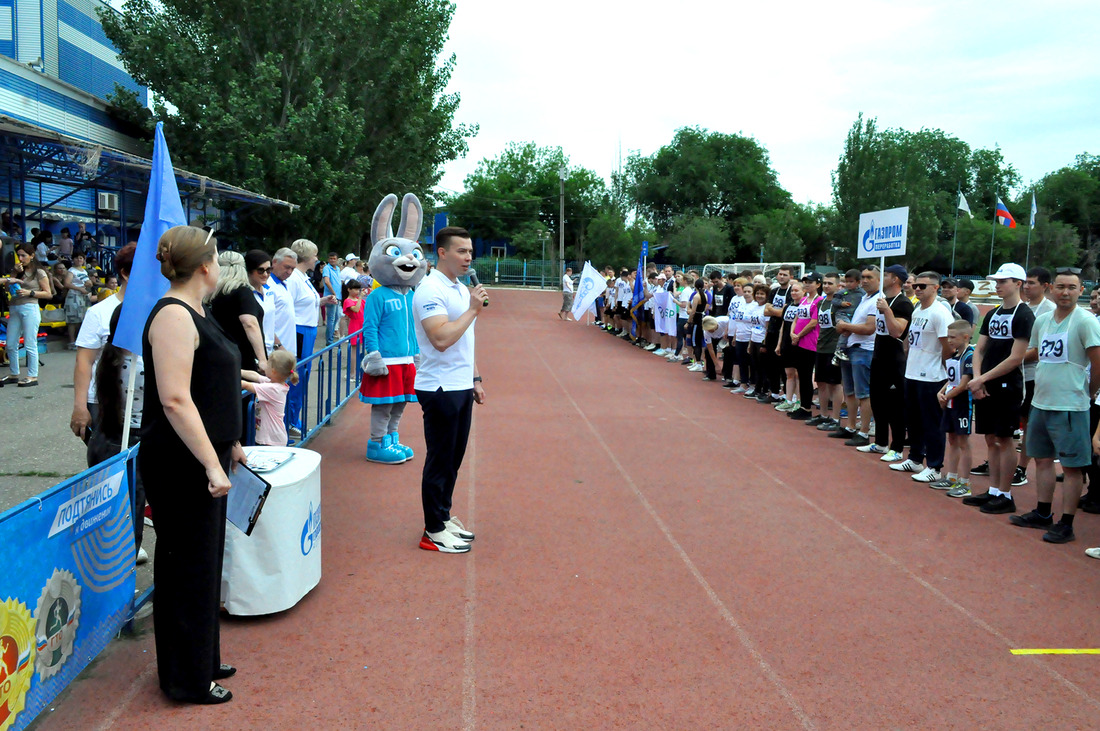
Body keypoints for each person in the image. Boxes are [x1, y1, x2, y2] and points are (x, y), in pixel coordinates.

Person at [140, 225, 244, 704]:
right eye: (218, 257)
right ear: (205, 265)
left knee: (205, 563)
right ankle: (186, 677)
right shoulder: (173, 317)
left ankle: (201, 656)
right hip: (183, 462)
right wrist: (212, 463)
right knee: (187, 568)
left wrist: (231, 443)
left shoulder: (197, 310)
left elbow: (211, 384)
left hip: (206, 454)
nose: (221, 264)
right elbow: (177, 400)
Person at [1009, 268, 1100, 543]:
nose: (1065, 292)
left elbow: (1098, 362)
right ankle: (1043, 512)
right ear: (1052, 289)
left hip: (1071, 405)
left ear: (1080, 290)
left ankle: (1067, 523)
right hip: (1041, 401)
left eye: (1072, 287)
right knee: (1042, 460)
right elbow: (1036, 353)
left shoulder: (1085, 322)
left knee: (1072, 467)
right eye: (1061, 287)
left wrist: (1089, 393)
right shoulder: (1043, 320)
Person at [412, 226, 485, 553]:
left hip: (459, 385)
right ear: (442, 252)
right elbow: (441, 339)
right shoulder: (430, 290)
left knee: (453, 458)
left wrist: (475, 378)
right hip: (439, 387)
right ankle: (432, 529)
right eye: (461, 251)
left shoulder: (458, 287)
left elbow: (465, 340)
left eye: (470, 251)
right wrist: (472, 309)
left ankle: (442, 516)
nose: (468, 256)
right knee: (440, 459)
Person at [963, 263, 1035, 515]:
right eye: (997, 281)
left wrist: (982, 379)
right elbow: (979, 349)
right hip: (985, 383)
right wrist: (977, 378)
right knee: (990, 438)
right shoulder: (992, 314)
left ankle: (1005, 493)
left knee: (1005, 439)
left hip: (1008, 386)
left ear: (1018, 283)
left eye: (1003, 281)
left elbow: (1016, 357)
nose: (998, 285)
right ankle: (993, 490)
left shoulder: (1024, 314)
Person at [87, 304, 147, 562]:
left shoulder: (108, 357)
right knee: (127, 513)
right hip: (127, 441)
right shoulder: (139, 365)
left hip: (104, 437)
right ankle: (121, 576)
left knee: (108, 513)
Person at [70, 243, 136, 442]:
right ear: (125, 273)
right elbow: (84, 362)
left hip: (144, 404)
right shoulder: (99, 312)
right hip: (104, 403)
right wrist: (80, 407)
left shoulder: (162, 310)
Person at [891, 271, 952, 482]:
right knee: (913, 420)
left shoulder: (940, 313)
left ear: (936, 288)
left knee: (932, 423)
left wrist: (945, 373)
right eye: (916, 285)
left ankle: (935, 467)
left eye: (922, 286)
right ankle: (916, 459)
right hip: (912, 373)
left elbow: (948, 346)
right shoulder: (918, 310)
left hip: (932, 376)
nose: (917, 289)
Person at [859, 264, 912, 458]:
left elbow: (897, 331)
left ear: (895, 279)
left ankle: (896, 447)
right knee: (877, 402)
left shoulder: (902, 303)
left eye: (887, 275)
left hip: (894, 360)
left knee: (894, 406)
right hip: (878, 357)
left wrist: (887, 311)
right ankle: (880, 442)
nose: (883, 277)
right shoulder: (883, 299)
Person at [285, 239, 337, 437]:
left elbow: (304, 303)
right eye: (314, 254)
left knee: (303, 375)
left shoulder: (302, 277)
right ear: (306, 256)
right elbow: (289, 307)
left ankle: (293, 418)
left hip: (308, 330)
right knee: (296, 376)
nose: (317, 258)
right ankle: (290, 421)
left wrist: (323, 300)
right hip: (300, 331)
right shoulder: (294, 279)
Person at [1012, 266, 1056, 487]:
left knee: (1028, 424)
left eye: (1032, 283)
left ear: (1046, 286)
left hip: (1032, 375)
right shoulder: (1024, 307)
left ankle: (1021, 468)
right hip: (1013, 372)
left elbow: (1040, 350)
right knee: (1010, 422)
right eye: (1025, 282)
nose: (1027, 286)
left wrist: (1013, 359)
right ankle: (1006, 463)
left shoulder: (1050, 311)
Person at [835, 265, 881, 447]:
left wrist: (845, 327)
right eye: (863, 277)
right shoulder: (864, 298)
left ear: (879, 279)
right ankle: (852, 426)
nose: (865, 280)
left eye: (869, 277)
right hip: (853, 346)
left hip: (865, 349)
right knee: (851, 391)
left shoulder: (878, 300)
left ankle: (864, 431)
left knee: (864, 393)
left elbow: (870, 328)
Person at [934, 320, 976, 496]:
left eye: (953, 337)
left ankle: (964, 482)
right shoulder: (955, 355)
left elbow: (964, 384)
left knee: (963, 441)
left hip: (962, 403)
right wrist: (940, 392)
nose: (949, 340)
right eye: (948, 336)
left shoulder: (969, 356)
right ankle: (951, 477)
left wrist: (947, 396)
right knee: (952, 439)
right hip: (950, 401)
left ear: (965, 337)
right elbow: (951, 379)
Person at [0, 244, 51, 386]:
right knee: (11, 343)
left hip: (30, 306)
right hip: (15, 307)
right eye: (19, 255)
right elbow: (6, 287)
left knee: (30, 343)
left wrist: (30, 292)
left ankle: (32, 375)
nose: (21, 259)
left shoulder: (39, 272)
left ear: (32, 255)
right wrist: (14, 274)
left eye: (24, 255)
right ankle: (13, 373)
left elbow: (48, 293)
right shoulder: (17, 270)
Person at [210, 251, 268, 374]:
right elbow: (250, 323)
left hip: (216, 355)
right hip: (242, 357)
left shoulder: (210, 293)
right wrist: (262, 359)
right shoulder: (242, 291)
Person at [241, 349, 297, 447]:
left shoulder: (273, 389)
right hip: (270, 438)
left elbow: (246, 385)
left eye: (268, 364)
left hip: (271, 440)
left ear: (273, 371)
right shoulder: (272, 383)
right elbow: (255, 376)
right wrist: (237, 370)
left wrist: (229, 375)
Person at [811, 273, 843, 430]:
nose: (826, 286)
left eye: (830, 283)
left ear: (838, 285)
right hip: (821, 346)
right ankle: (823, 415)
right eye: (824, 283)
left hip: (834, 347)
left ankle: (836, 418)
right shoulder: (821, 303)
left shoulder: (840, 303)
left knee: (835, 383)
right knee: (821, 382)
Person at [762, 266, 794, 403]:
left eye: (785, 275)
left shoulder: (792, 292)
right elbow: (765, 310)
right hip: (772, 331)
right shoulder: (774, 291)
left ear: (790, 277)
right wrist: (777, 310)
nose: (781, 277)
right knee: (771, 364)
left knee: (784, 365)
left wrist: (774, 310)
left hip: (785, 332)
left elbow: (784, 313)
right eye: (780, 274)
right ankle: (774, 392)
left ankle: (788, 395)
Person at [267, 248, 298, 360]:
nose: (289, 272)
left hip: (287, 348)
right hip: (277, 352)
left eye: (293, 269)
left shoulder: (284, 284)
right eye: (287, 267)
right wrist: (278, 345)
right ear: (274, 262)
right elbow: (265, 319)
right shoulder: (267, 286)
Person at [244, 250, 276, 356]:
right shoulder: (245, 295)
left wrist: (278, 346)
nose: (265, 274)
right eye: (260, 270)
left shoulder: (269, 292)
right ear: (249, 271)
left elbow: (269, 323)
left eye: (269, 270)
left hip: (270, 351)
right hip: (254, 353)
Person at [63, 252, 91, 350]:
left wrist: (89, 284)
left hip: (83, 296)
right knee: (72, 320)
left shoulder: (84, 271)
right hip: (73, 295)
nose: (79, 260)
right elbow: (67, 283)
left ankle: (79, 341)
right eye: (77, 258)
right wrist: (79, 289)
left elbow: (88, 282)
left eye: (81, 258)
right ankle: (71, 341)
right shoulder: (71, 271)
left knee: (81, 319)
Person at [322, 251, 343, 345]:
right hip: (331, 296)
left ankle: (331, 337)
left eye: (334, 258)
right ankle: (329, 341)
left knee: (337, 316)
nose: (332, 260)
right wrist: (333, 292)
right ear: (328, 259)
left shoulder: (338, 268)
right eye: (330, 258)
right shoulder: (327, 268)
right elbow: (326, 281)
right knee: (331, 318)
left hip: (338, 296)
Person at [343, 279, 365, 345]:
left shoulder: (359, 300)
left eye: (358, 289)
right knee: (354, 346)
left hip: (362, 323)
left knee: (362, 345)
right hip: (354, 324)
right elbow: (356, 309)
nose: (357, 292)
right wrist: (360, 297)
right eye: (355, 289)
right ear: (349, 289)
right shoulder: (347, 301)